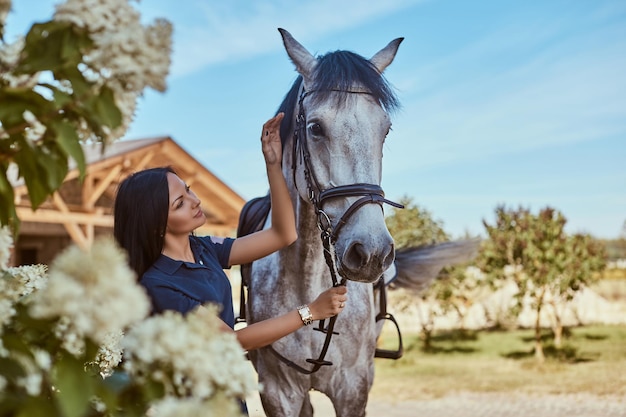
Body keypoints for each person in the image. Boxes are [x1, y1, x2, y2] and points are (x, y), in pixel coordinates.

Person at [113, 112, 347, 352]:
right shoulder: (159, 284)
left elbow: (283, 234)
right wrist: (311, 311)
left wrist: (273, 165)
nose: (195, 201)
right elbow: (233, 341)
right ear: (156, 225)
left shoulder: (204, 249)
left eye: (188, 190)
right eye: (179, 203)